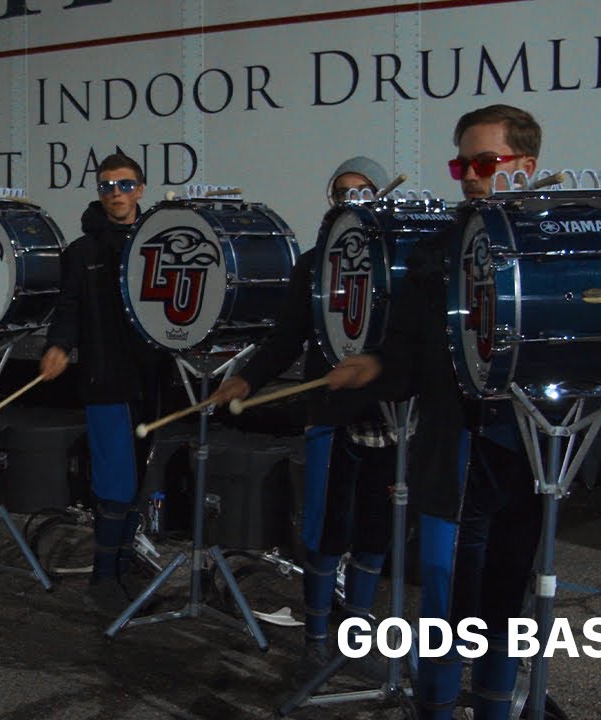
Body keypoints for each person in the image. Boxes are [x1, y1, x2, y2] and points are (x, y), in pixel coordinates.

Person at [328, 104, 542, 720]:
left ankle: (499, 708)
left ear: (525, 168)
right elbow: (404, 353)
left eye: (483, 162)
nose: (469, 176)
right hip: (454, 454)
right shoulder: (437, 254)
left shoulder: (546, 247)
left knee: (507, 602)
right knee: (446, 603)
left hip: (527, 454)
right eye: (461, 163)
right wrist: (373, 367)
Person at [210, 156, 395, 668]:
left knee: (375, 530)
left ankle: (355, 635)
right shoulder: (314, 264)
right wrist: (248, 377)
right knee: (324, 527)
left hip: (388, 416)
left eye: (363, 193)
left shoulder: (401, 258)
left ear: (380, 197)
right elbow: (287, 336)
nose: (352, 201)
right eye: (342, 192)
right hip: (330, 411)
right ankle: (316, 635)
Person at [41, 153, 166, 613]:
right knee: (113, 481)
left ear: (141, 188)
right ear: (99, 191)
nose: (117, 192)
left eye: (126, 184)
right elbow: (68, 307)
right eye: (108, 185)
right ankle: (102, 576)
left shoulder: (157, 241)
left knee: (136, 480)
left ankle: (120, 560)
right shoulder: (82, 251)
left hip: (151, 378)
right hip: (105, 378)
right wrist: (58, 345)